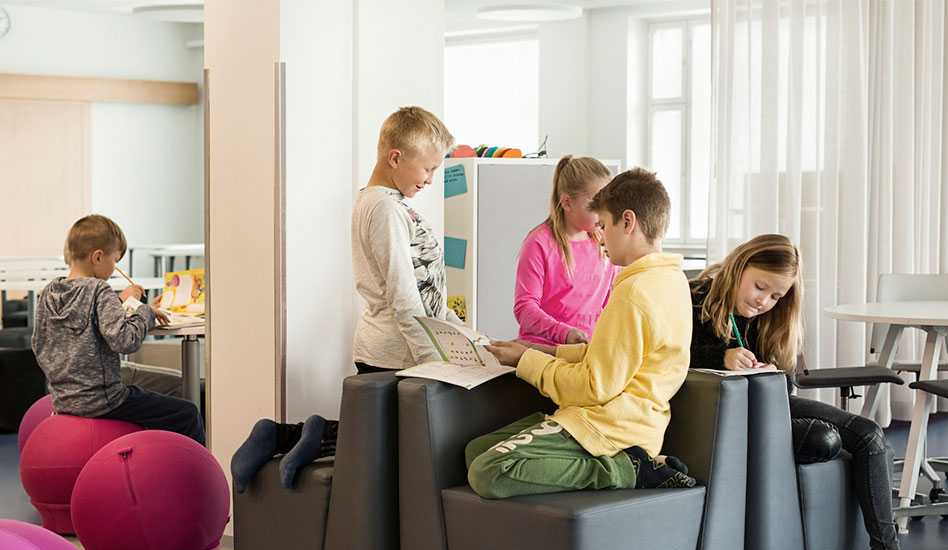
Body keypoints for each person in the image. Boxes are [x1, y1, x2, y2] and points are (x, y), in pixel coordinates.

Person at [689, 233, 922, 550]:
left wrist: (771, 372)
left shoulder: (772, 317)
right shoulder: (695, 296)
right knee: (823, 440)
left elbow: (788, 382)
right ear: (739, 266)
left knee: (868, 435)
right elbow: (668, 355)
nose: (763, 301)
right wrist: (722, 357)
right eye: (759, 287)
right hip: (725, 416)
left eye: (775, 296)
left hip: (767, 406)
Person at [232, 106, 458, 492]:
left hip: (400, 347)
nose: (431, 180)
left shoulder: (385, 203)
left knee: (373, 438)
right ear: (396, 157)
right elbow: (404, 297)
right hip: (396, 353)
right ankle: (305, 434)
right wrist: (435, 361)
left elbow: (426, 290)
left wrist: (463, 336)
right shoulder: (384, 208)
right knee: (376, 446)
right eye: (427, 169)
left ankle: (288, 434)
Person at [466, 168, 696, 498]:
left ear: (627, 222)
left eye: (604, 225)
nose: (599, 235)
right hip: (614, 418)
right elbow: (612, 360)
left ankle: (626, 468)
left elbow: (593, 386)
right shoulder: (670, 280)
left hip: (613, 428)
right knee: (477, 450)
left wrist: (527, 362)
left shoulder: (635, 293)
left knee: (488, 469)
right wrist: (545, 351)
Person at [31, 214, 205, 444]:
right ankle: (196, 475)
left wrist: (122, 306)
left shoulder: (49, 293)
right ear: (98, 257)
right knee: (186, 412)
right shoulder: (99, 290)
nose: (115, 268)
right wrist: (146, 312)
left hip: (63, 399)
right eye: (115, 260)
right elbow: (125, 341)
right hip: (104, 400)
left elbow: (40, 343)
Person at [513, 155, 618, 347]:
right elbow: (524, 309)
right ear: (567, 203)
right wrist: (564, 333)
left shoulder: (605, 243)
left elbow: (611, 303)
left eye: (607, 204)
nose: (604, 211)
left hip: (586, 352)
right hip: (543, 350)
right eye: (596, 204)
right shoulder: (539, 243)